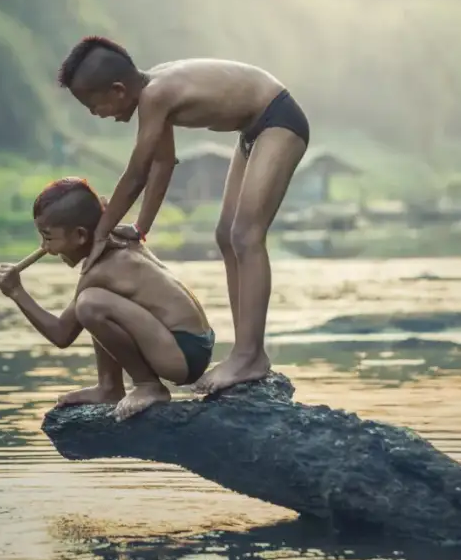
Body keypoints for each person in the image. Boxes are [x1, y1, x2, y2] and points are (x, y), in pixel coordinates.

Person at [55, 35, 310, 395]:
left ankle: (250, 355)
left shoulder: (156, 95)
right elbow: (162, 163)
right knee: (226, 235)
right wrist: (140, 228)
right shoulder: (154, 94)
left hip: (277, 120)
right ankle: (245, 352)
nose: (98, 115)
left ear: (117, 89)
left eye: (95, 106)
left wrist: (100, 233)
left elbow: (136, 173)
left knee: (246, 236)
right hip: (252, 131)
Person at [0, 177, 216, 420]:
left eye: (48, 237)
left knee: (90, 304)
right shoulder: (118, 235)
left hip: (183, 353)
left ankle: (148, 385)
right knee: (96, 304)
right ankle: (109, 386)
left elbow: (61, 334)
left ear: (80, 235)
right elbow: (102, 205)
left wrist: (16, 292)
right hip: (191, 345)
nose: (45, 248)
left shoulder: (100, 271)